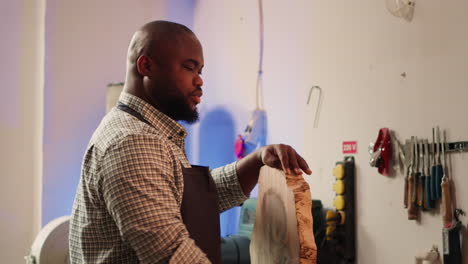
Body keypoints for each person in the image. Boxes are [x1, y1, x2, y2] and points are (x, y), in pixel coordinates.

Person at [69, 20, 311, 264]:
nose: (199, 81)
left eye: (200, 71)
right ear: (146, 66)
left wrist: (256, 161)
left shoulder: (149, 132)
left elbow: (183, 200)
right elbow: (171, 253)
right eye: (189, 68)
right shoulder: (134, 141)